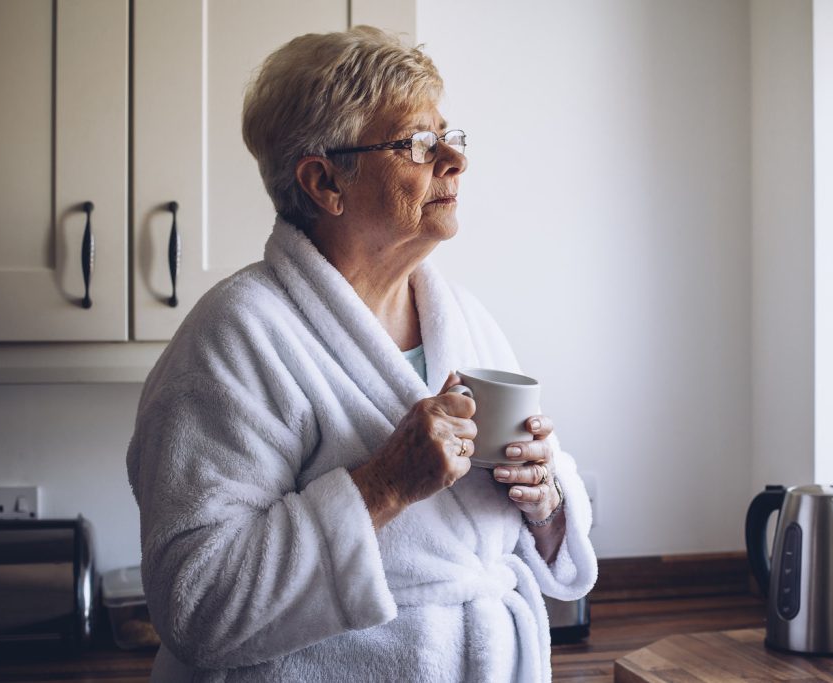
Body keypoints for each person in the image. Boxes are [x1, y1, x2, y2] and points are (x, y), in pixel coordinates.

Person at [126, 26, 597, 682]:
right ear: (324, 182)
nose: (453, 161)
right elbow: (197, 601)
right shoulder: (234, 338)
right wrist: (382, 484)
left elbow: (525, 540)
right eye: (416, 143)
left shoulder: (465, 320)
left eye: (449, 137)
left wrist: (543, 496)